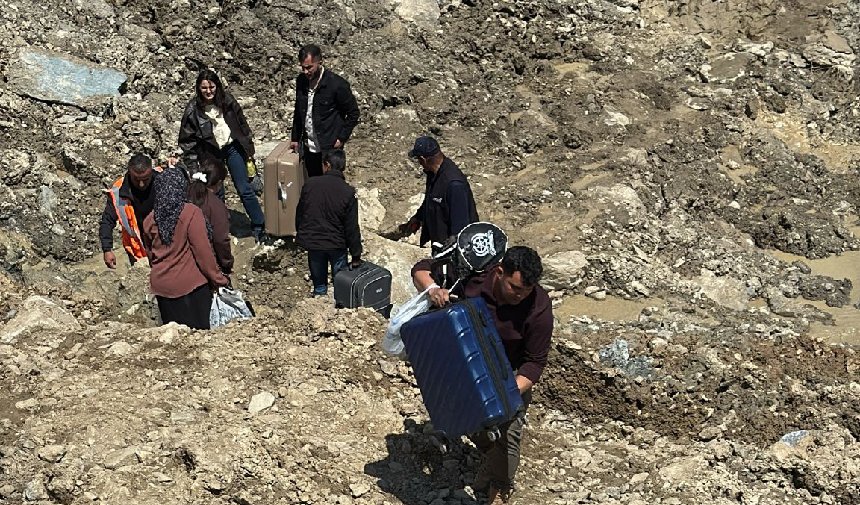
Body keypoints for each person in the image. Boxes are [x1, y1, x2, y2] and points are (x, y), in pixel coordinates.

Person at [411, 246, 552, 504]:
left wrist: (504, 393)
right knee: (470, 422)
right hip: (463, 363)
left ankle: (500, 487)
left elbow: (534, 363)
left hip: (506, 375)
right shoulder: (473, 275)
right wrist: (433, 290)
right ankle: (488, 458)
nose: (521, 296)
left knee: (508, 432)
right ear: (499, 272)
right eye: (515, 288)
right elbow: (421, 268)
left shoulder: (539, 308)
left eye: (527, 291)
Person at [178, 69, 265, 242]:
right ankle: (220, 227)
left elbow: (242, 124)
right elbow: (187, 142)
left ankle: (259, 225)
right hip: (209, 152)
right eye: (204, 88)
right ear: (198, 89)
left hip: (232, 147)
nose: (208, 91)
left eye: (211, 87)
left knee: (244, 188)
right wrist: (194, 167)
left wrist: (248, 148)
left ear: (217, 86)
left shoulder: (228, 101)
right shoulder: (192, 110)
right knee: (216, 193)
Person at [143, 167, 229, 329]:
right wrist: (219, 279)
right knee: (198, 337)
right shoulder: (190, 213)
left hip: (162, 289)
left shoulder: (149, 220)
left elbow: (151, 255)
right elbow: (203, 252)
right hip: (191, 288)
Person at [295, 150, 362, 296]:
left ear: (327, 165)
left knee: (319, 286)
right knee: (341, 287)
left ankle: (319, 305)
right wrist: (356, 254)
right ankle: (340, 308)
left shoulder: (310, 184)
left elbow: (300, 213)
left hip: (314, 243)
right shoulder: (348, 192)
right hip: (336, 244)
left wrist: (301, 234)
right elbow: (351, 227)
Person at [290, 44, 360, 177]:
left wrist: (341, 138)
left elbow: (353, 112)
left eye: (309, 67)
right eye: (303, 68)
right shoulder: (301, 81)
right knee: (313, 181)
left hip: (329, 146)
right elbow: (299, 110)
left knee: (331, 183)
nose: (306, 72)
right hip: (309, 146)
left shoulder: (337, 84)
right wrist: (294, 137)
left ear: (319, 62)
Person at [399, 136, 479, 252]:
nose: (420, 163)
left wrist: (449, 249)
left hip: (456, 250)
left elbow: (461, 227)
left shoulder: (454, 184)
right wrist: (418, 218)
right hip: (440, 243)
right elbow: (430, 200)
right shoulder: (433, 174)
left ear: (423, 159)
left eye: (418, 159)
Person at [99, 153, 160, 268]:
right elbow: (107, 221)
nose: (141, 184)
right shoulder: (118, 192)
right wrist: (107, 249)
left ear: (151, 172)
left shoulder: (165, 183)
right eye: (136, 180)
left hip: (165, 245)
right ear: (129, 173)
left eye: (145, 179)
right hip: (138, 251)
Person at [187, 157, 234, 275]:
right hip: (205, 260)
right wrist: (227, 263)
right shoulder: (216, 207)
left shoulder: (186, 191)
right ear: (219, 183)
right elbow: (220, 240)